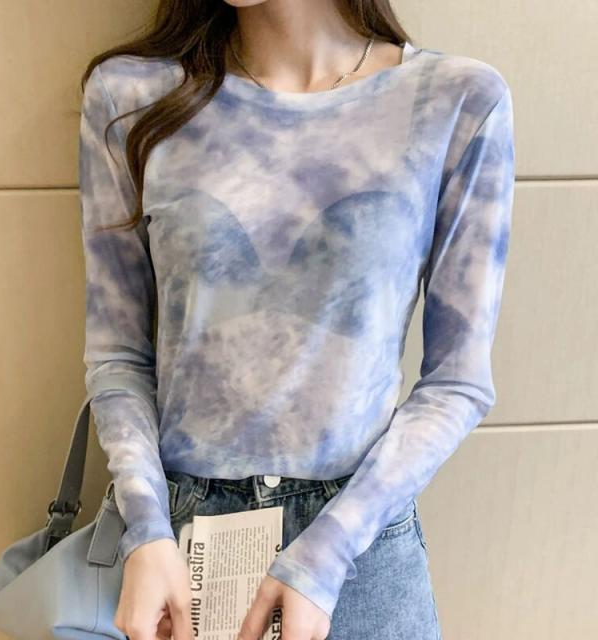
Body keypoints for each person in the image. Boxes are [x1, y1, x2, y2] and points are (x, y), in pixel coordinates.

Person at [77, 1, 515, 638]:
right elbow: (118, 355)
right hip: (177, 552)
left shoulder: (457, 101)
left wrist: (325, 554)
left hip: (358, 545)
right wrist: (145, 528)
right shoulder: (131, 98)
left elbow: (458, 382)